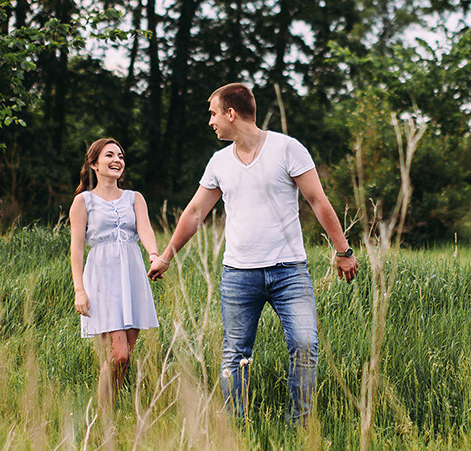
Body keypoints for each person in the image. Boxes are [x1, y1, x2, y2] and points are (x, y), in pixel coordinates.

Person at [148, 83, 357, 424]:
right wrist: (167, 256)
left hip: (289, 271)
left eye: (213, 113)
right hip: (238, 275)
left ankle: (300, 424)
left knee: (305, 346)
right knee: (234, 354)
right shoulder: (219, 163)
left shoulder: (287, 149)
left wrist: (343, 250)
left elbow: (318, 201)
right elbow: (194, 212)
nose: (211, 121)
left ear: (231, 113)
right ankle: (235, 427)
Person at [69, 137, 161, 407]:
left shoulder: (135, 198)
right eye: (109, 155)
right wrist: (79, 291)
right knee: (118, 355)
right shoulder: (83, 202)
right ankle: (100, 415)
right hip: (101, 280)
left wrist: (154, 256)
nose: (117, 160)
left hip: (131, 278)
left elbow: (145, 230)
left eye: (120, 155)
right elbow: (75, 250)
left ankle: (105, 416)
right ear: (94, 164)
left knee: (123, 357)